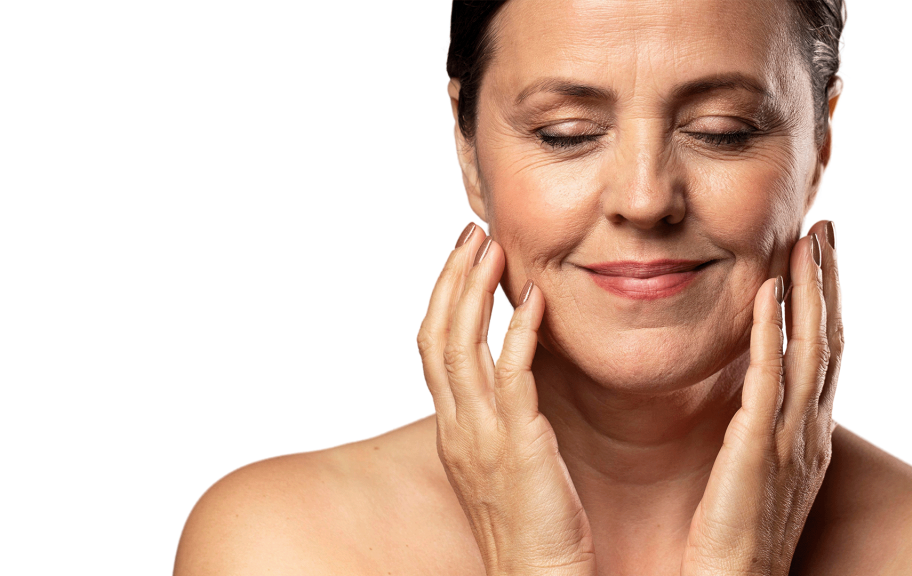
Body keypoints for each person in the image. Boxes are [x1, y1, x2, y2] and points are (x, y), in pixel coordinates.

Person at [174, 0, 912, 574]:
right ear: (469, 151)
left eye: (723, 129)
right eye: (567, 132)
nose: (645, 198)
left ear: (819, 143)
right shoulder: (282, 546)